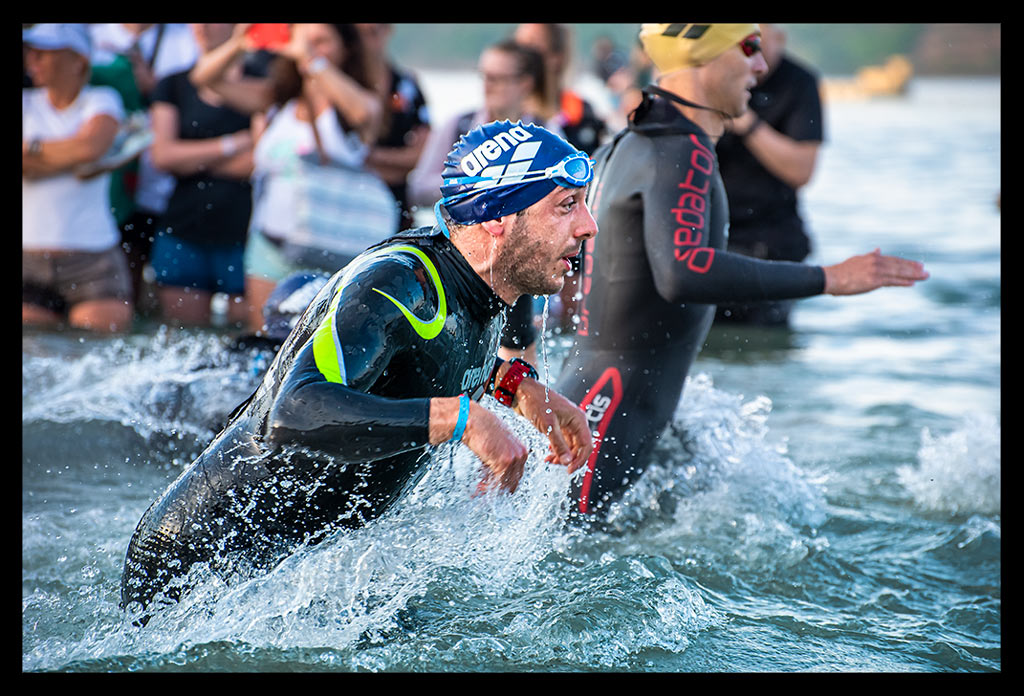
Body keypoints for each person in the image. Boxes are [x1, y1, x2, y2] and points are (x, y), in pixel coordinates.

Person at [120, 120, 596, 619]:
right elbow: (294, 412)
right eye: (566, 206)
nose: (588, 225)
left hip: (289, 576)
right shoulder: (396, 281)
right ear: (498, 217)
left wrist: (516, 386)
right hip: (196, 571)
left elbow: (433, 355)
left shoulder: (495, 285)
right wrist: (463, 421)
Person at [553, 23, 929, 522]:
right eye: (747, 47)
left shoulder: (631, 139)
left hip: (594, 395)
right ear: (703, 57)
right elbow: (683, 270)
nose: (759, 65)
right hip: (609, 410)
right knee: (571, 564)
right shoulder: (678, 150)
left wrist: (519, 361)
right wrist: (829, 279)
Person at [188, 23, 390, 333]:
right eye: (304, 40)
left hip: (333, 245)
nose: (308, 47)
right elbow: (204, 78)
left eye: (321, 41)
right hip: (271, 241)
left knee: (326, 345)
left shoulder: (353, 104)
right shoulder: (278, 99)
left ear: (345, 47)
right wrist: (240, 43)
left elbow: (366, 114)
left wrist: (312, 60)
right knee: (268, 339)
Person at [407, 39, 551, 365]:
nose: (487, 86)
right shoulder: (458, 125)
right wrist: (473, 188)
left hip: (515, 262)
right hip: (456, 259)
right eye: (484, 75)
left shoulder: (546, 134)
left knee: (517, 360)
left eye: (497, 78)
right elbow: (417, 187)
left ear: (525, 83)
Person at [22, 23, 134, 333]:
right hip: (28, 258)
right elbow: (87, 152)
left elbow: (90, 147)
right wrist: (75, 161)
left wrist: (34, 155)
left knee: (97, 355)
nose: (33, 60)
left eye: (45, 53)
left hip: (92, 259)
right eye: (32, 52)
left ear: (78, 60)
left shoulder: (103, 98)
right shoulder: (27, 102)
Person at [714, 23, 825, 326]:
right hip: (712, 237)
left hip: (771, 240)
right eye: (745, 46)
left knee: (764, 339)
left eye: (760, 45)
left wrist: (746, 123)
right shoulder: (716, 77)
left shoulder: (799, 83)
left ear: (781, 39)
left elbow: (802, 171)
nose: (755, 62)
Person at [147, 23, 256, 327]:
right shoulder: (172, 84)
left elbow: (259, 162)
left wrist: (191, 159)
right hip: (184, 227)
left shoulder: (260, 84)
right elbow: (163, 156)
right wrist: (232, 143)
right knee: (184, 339)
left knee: (240, 339)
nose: (202, 27)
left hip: (242, 232)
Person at [88, 23, 200, 308]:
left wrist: (157, 88)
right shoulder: (92, 34)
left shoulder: (186, 38)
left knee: (159, 278)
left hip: (164, 184)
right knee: (119, 274)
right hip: (107, 183)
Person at [513, 23, 609, 332]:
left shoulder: (581, 116)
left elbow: (588, 201)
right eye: (519, 45)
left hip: (565, 255)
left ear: (556, 57)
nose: (522, 55)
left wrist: (577, 276)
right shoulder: (501, 117)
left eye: (532, 47)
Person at [357, 23, 432, 232]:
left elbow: (422, 155)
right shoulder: (342, 85)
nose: (368, 39)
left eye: (375, 30)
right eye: (359, 32)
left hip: (396, 204)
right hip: (348, 204)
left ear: (388, 30)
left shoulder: (406, 85)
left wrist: (368, 156)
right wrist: (395, 161)